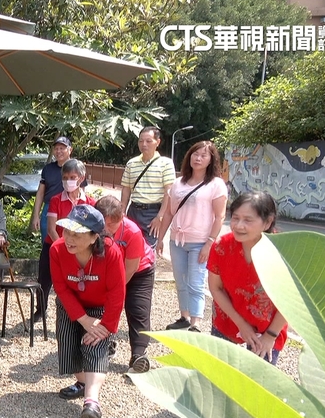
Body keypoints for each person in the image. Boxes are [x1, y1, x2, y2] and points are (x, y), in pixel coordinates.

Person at [51, 204, 125, 418]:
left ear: (94, 237)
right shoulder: (57, 250)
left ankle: (92, 401)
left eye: (77, 234)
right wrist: (83, 320)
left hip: (100, 306)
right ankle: (83, 383)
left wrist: (106, 326)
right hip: (70, 305)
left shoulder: (111, 252)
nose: (69, 238)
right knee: (68, 344)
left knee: (95, 345)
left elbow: (117, 292)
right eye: (67, 231)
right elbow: (61, 288)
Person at [155, 141, 228, 332]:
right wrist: (160, 238)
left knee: (196, 282)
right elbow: (169, 213)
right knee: (181, 280)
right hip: (177, 241)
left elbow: (220, 216)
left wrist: (209, 243)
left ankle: (196, 323)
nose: (198, 158)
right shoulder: (178, 183)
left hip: (200, 242)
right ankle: (184, 317)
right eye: (195, 154)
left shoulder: (216, 185)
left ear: (211, 160)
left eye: (204, 155)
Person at [207, 192, 288, 364]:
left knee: (257, 378)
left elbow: (292, 302)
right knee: (220, 374)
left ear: (267, 222)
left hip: (267, 329)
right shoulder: (221, 246)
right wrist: (241, 324)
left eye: (248, 220)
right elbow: (215, 288)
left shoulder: (283, 253)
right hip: (228, 320)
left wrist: (271, 335)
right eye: (235, 218)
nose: (239, 225)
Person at [95, 195, 155, 372]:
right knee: (102, 307)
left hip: (138, 271)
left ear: (121, 218)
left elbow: (131, 267)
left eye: (111, 224)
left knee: (138, 309)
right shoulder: (92, 228)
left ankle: (138, 355)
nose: (106, 228)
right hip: (108, 270)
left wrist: (115, 290)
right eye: (103, 223)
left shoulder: (132, 231)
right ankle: (105, 344)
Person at [41, 159, 96, 319]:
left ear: (81, 178)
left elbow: (92, 230)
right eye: (65, 178)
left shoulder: (90, 202)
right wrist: (64, 247)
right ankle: (40, 310)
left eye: (72, 177)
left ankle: (81, 312)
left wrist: (76, 249)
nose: (68, 181)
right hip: (54, 246)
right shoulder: (56, 200)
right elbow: (51, 229)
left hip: (81, 251)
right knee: (44, 280)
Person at [33, 137, 72, 321]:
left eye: (62, 148)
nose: (59, 151)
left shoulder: (75, 167)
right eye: (56, 148)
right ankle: (41, 308)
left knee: (71, 252)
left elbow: (83, 192)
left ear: (70, 149)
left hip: (70, 208)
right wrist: (35, 215)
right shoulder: (48, 169)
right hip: (50, 209)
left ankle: (69, 305)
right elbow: (40, 192)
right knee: (49, 252)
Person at [119, 126, 176, 247]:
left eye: (148, 141)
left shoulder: (166, 163)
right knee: (129, 246)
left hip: (153, 212)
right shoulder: (131, 163)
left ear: (158, 142)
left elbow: (168, 193)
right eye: (141, 141)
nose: (144, 144)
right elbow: (126, 189)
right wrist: (122, 211)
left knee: (148, 249)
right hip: (133, 210)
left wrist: (160, 217)